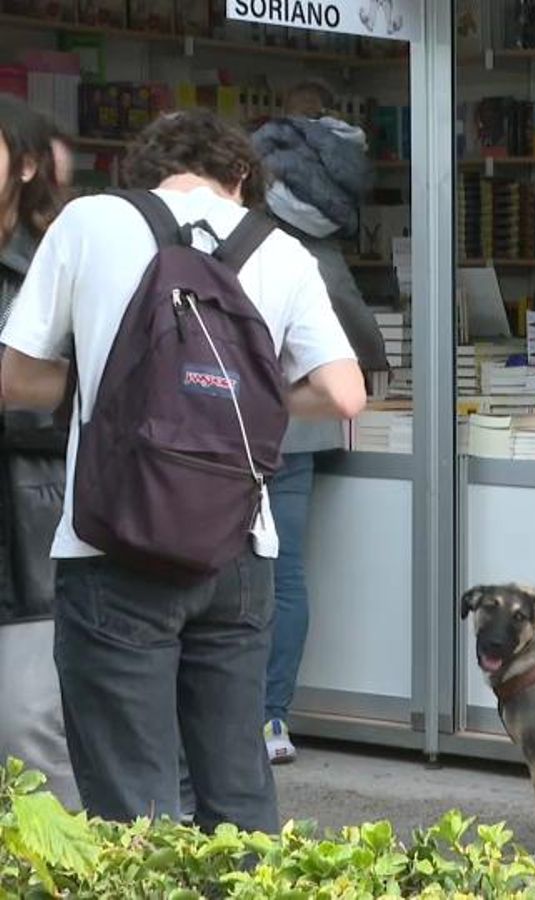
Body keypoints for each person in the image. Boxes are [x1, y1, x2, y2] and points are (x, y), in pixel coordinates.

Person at [0, 109, 366, 832]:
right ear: (241, 176)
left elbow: (14, 378)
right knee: (237, 791)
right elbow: (343, 393)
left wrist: (114, 388)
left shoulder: (89, 222)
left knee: (132, 802)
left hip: (111, 544)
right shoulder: (280, 248)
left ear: (142, 173)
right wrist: (253, 398)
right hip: (238, 550)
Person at [252, 80, 387, 765]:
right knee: (286, 575)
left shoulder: (245, 229)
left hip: (227, 424)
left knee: (224, 573)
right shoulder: (317, 243)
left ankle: (231, 716)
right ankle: (271, 718)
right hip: (296, 433)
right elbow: (358, 330)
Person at [0, 95, 75, 807]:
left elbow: (87, 395)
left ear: (25, 167)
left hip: (28, 531)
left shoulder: (53, 268)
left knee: (27, 732)